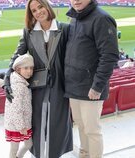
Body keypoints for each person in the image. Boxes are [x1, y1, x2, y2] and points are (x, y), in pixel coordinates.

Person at [4, 0, 73, 158]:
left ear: (47, 6)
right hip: (36, 86)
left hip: (59, 85)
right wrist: (8, 74)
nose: (38, 12)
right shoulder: (28, 32)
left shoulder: (65, 29)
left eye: (40, 7)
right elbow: (17, 55)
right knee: (37, 124)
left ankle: (54, 155)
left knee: (57, 125)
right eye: (34, 10)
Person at [64, 0, 119, 158]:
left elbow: (109, 55)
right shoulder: (74, 18)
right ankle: (84, 154)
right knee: (81, 126)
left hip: (90, 88)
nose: (76, 0)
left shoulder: (101, 18)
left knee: (92, 130)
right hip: (74, 86)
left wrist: (97, 86)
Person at [4, 54, 34, 158]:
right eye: (25, 68)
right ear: (17, 69)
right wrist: (20, 126)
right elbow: (16, 108)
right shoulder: (18, 86)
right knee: (14, 149)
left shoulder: (23, 82)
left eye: (31, 68)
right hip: (16, 124)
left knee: (28, 144)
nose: (29, 71)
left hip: (24, 122)